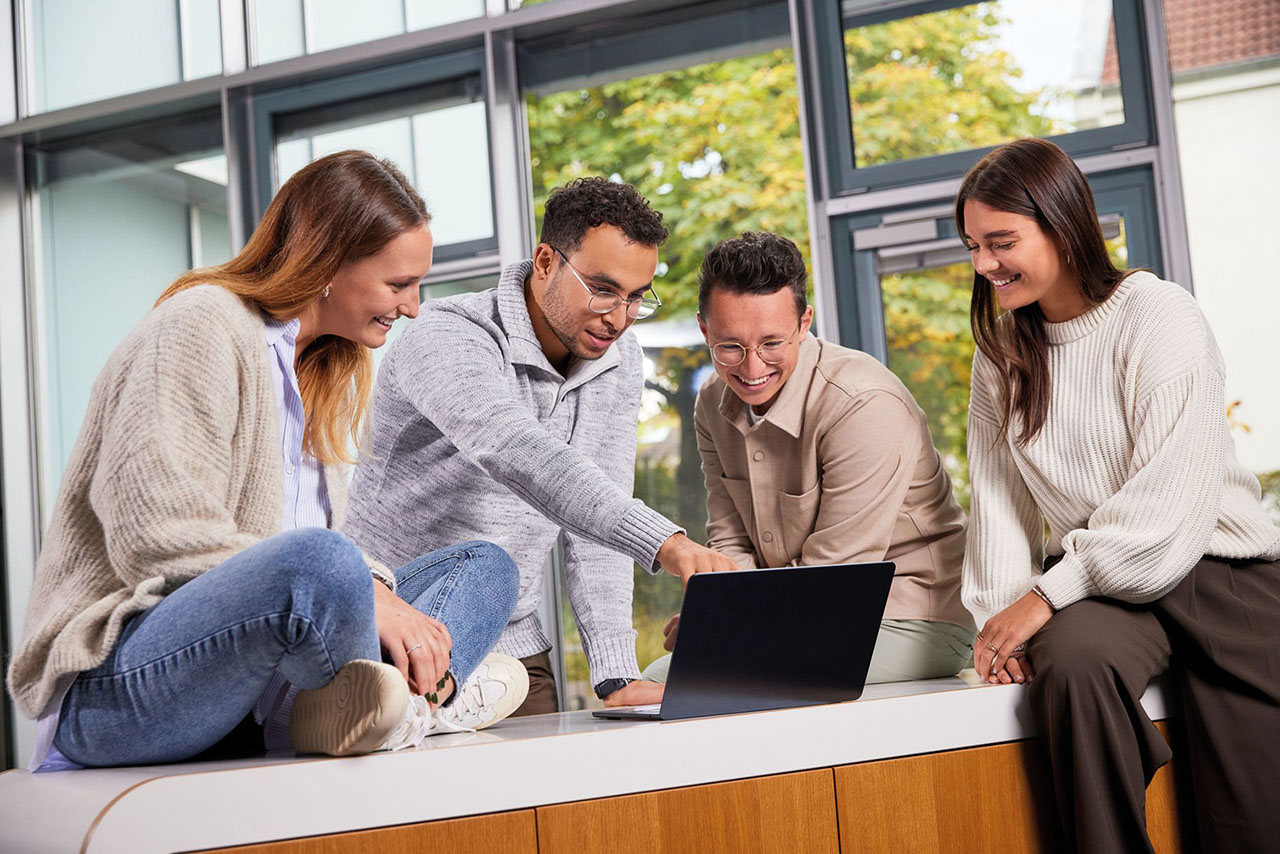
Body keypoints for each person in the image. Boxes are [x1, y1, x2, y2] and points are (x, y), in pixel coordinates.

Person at [6, 151, 528, 770]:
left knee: (484, 564)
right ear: (328, 262)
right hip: (120, 688)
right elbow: (158, 536)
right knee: (326, 560)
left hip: (261, 687)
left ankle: (402, 712)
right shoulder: (200, 326)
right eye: (398, 284)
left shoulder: (320, 371)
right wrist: (364, 585)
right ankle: (424, 708)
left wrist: (375, 588)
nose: (413, 307)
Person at [958, 137, 1280, 854]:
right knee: (1071, 668)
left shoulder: (1160, 315)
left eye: (1002, 242)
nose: (984, 265)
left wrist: (1045, 596)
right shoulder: (1002, 353)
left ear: (1063, 227)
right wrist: (998, 621)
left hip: (1219, 572)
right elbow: (998, 501)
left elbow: (1167, 512)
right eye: (973, 245)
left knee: (1255, 809)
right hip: (1101, 590)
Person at [346, 177, 738, 715]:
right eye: (602, 288)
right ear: (546, 262)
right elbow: (515, 449)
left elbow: (597, 523)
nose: (618, 318)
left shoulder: (618, 360)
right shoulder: (443, 336)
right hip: (397, 624)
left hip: (513, 647)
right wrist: (664, 542)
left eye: (635, 298)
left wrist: (615, 672)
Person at [642, 231, 973, 685]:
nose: (752, 368)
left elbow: (834, 580)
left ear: (804, 323)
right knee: (663, 679)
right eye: (730, 347)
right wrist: (721, 616)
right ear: (705, 330)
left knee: (681, 680)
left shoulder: (862, 403)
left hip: (914, 621)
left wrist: (726, 622)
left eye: (772, 343)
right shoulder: (712, 404)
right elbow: (730, 541)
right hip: (792, 621)